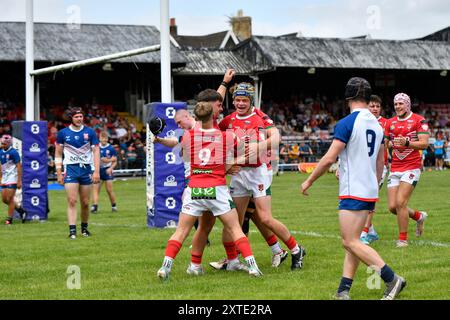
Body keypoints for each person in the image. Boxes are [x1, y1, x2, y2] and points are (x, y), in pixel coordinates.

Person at [301, 77, 406, 300]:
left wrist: (309, 180)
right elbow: (380, 163)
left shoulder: (347, 123)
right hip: (368, 188)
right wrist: (374, 185)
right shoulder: (378, 126)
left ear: (348, 97)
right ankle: (344, 290)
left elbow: (330, 158)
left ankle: (392, 279)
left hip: (353, 189)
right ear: (368, 98)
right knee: (355, 241)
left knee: (349, 241)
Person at [156, 101, 263, 280]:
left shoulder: (188, 136)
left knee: (181, 231)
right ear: (213, 116)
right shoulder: (226, 136)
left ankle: (165, 267)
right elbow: (244, 150)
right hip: (217, 188)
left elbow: (179, 148)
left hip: (195, 188)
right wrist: (231, 163)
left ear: (195, 117)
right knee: (235, 228)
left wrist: (159, 139)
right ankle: (253, 266)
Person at [217, 82, 306, 270]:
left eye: (245, 100)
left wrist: (260, 146)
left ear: (251, 101)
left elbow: (275, 138)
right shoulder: (228, 120)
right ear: (233, 100)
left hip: (258, 173)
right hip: (239, 174)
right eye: (238, 100)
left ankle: (296, 249)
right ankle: (233, 260)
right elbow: (211, 120)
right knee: (234, 222)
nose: (241, 103)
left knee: (265, 218)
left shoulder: (259, 117)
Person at [385, 93, 429, 248]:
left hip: (412, 167)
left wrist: (407, 142)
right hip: (395, 167)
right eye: (396, 104)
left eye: (401, 104)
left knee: (400, 202)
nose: (397, 106)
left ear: (408, 105)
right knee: (392, 207)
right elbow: (386, 143)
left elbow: (424, 144)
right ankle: (419, 216)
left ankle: (402, 239)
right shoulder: (390, 122)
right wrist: (389, 145)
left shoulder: (419, 120)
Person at [55, 107, 100, 239]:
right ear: (71, 118)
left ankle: (84, 229)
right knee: (72, 200)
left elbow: (96, 152)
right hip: (71, 169)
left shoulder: (90, 132)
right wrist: (58, 172)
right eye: (76, 117)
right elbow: (58, 153)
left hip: (86, 169)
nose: (79, 119)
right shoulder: (63, 133)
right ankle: (72, 231)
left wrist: (96, 171)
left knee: (85, 202)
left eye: (81, 116)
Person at [360, 95, 388, 245]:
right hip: (362, 165)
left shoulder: (385, 123)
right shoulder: (361, 121)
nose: (375, 109)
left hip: (378, 166)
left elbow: (388, 145)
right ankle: (371, 231)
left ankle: (364, 232)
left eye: (377, 106)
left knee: (371, 198)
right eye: (372, 106)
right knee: (363, 197)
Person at [91, 131, 118, 214]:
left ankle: (114, 205)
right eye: (102, 138)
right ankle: (95, 206)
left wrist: (111, 168)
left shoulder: (111, 148)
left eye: (106, 138)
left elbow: (115, 161)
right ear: (99, 139)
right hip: (98, 170)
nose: (104, 140)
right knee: (96, 189)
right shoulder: (96, 147)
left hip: (107, 170)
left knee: (109, 190)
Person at [0, 134, 23, 225]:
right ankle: (21, 210)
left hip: (13, 177)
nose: (2, 145)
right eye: (1, 143)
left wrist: (19, 180)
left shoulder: (14, 152)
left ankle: (9, 219)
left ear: (9, 144)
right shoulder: (1, 152)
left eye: (4, 144)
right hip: (5, 177)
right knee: (4, 199)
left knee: (10, 198)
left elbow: (18, 166)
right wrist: (1, 177)